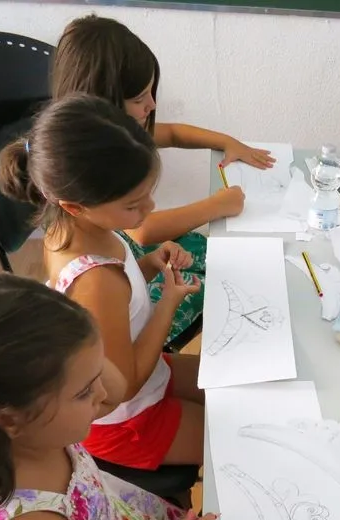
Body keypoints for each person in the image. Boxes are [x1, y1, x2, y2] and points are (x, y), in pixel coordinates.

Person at [0, 272, 221, 520]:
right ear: (10, 419)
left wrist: (77, 332)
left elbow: (115, 388)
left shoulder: (38, 433)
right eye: (84, 391)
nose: (102, 395)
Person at [0, 94, 204, 471]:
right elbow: (122, 385)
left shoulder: (73, 229)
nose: (150, 210)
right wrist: (169, 301)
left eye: (148, 196)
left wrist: (149, 265)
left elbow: (116, 306)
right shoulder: (94, 280)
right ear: (75, 205)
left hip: (148, 375)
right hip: (129, 421)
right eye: (134, 204)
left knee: (234, 389)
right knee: (241, 435)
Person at [52, 14, 271, 341]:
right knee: (220, 286)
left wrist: (227, 142)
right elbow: (143, 230)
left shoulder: (99, 132)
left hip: (126, 257)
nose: (152, 105)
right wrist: (217, 205)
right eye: (140, 99)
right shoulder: (93, 163)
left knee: (212, 252)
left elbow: (171, 132)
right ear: (103, 100)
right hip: (123, 284)